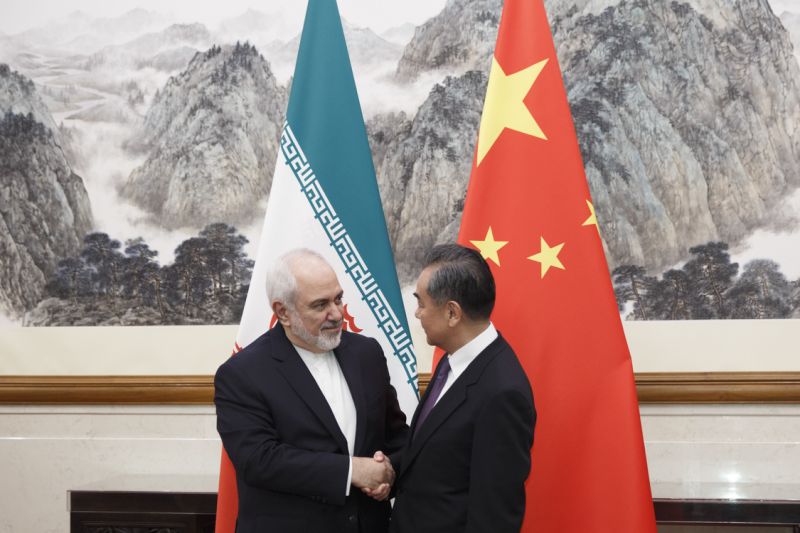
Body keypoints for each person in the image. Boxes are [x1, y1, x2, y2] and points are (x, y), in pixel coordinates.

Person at [214, 248, 408, 533]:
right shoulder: (242, 373)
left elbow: (397, 436)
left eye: (338, 299)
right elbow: (259, 460)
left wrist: (387, 472)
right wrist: (352, 471)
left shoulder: (367, 353)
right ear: (283, 312)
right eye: (320, 305)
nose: (337, 314)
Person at [390, 244, 536, 533]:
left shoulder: (502, 393)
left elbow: (494, 518)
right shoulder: (454, 359)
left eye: (421, 304)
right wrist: (388, 469)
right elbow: (440, 457)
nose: (417, 314)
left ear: (452, 313)